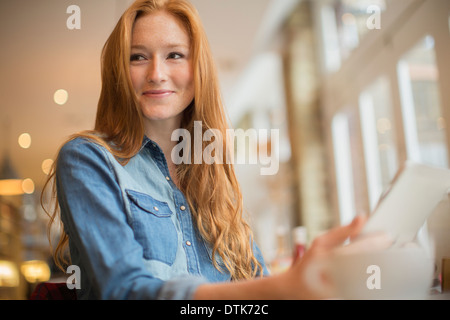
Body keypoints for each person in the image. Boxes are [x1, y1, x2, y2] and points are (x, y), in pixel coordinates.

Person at [43, 0, 389, 300]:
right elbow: (124, 290)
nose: (157, 73)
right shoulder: (87, 159)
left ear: (198, 70)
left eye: (175, 55)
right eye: (137, 57)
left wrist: (321, 279)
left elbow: (258, 281)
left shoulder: (212, 170)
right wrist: (281, 288)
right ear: (119, 71)